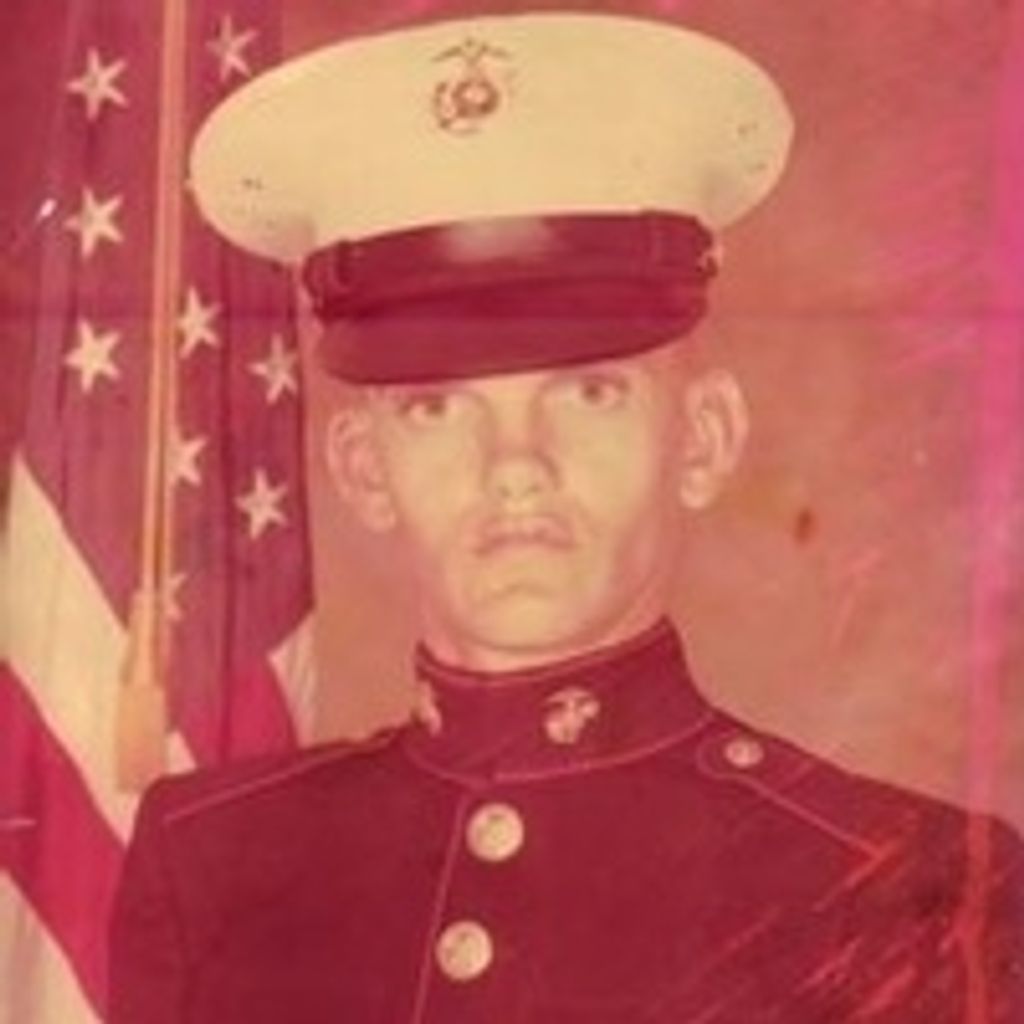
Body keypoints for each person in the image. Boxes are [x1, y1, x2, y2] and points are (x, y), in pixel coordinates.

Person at [108, 11, 1023, 1023]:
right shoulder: (212, 864)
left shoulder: (904, 891)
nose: (516, 467)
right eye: (437, 407)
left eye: (589, 393)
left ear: (703, 437)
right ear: (363, 469)